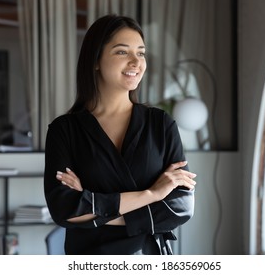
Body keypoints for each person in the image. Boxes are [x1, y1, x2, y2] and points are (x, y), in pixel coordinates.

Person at [44, 14, 196, 255]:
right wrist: (152, 194)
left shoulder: (161, 124)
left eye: (141, 53)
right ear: (95, 60)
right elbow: (64, 209)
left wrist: (92, 207)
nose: (136, 61)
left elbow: (180, 207)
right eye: (122, 52)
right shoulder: (65, 130)